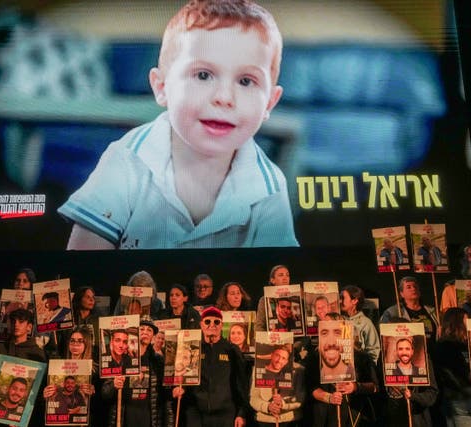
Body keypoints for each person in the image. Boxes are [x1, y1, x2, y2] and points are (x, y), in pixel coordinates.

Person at [57, 0, 298, 250]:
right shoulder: (127, 161)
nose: (225, 98)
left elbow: (278, 277)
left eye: (246, 81)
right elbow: (83, 261)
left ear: (269, 102)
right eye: (203, 75)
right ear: (161, 88)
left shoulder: (269, 187)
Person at [172, 306, 249, 427]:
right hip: (196, 413)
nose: (212, 325)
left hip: (225, 414)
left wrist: (241, 413)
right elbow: (183, 375)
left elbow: (241, 384)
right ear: (201, 324)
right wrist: (178, 388)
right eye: (207, 321)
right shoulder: (192, 348)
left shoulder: (232, 350)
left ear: (221, 325)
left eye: (216, 321)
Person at [306, 314, 379, 427]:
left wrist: (355, 387)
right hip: (324, 418)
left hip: (354, 416)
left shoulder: (361, 357)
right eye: (325, 331)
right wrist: (329, 397)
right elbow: (312, 387)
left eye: (336, 331)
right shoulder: (314, 358)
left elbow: (374, 387)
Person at [102, 318, 170, 427]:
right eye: (142, 329)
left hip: (148, 417)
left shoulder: (158, 361)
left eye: (149, 330)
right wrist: (113, 385)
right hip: (125, 416)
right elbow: (105, 393)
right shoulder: (121, 358)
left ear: (153, 336)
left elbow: (165, 395)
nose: (145, 332)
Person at [0, 267, 36, 354]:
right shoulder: (1, 304)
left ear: (31, 285)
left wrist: (32, 351)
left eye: (25, 281)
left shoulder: (35, 307)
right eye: (18, 280)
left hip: (27, 355)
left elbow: (41, 335)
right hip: (1, 352)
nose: (20, 283)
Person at [380, 276, 439, 348]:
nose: (413, 289)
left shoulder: (432, 311)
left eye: (415, 286)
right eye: (409, 287)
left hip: (433, 352)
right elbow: (385, 336)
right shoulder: (393, 312)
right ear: (401, 294)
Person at [250, 351, 305, 427]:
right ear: (271, 355)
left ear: (287, 361)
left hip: (290, 421)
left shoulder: (299, 370)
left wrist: (283, 404)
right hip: (264, 421)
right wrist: (267, 407)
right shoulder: (258, 369)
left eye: (283, 358)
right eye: (277, 355)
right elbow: (253, 398)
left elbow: (301, 398)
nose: (279, 360)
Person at [340, 285, 380, 364]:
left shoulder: (365, 323)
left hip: (358, 369)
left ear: (354, 301)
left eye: (343, 298)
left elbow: (373, 351)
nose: (340, 301)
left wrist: (367, 368)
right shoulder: (338, 320)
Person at [256, 265, 290, 331]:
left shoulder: (295, 298)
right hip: (272, 339)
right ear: (272, 280)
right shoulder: (264, 300)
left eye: (287, 275)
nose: (285, 278)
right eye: (281, 275)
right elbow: (259, 327)